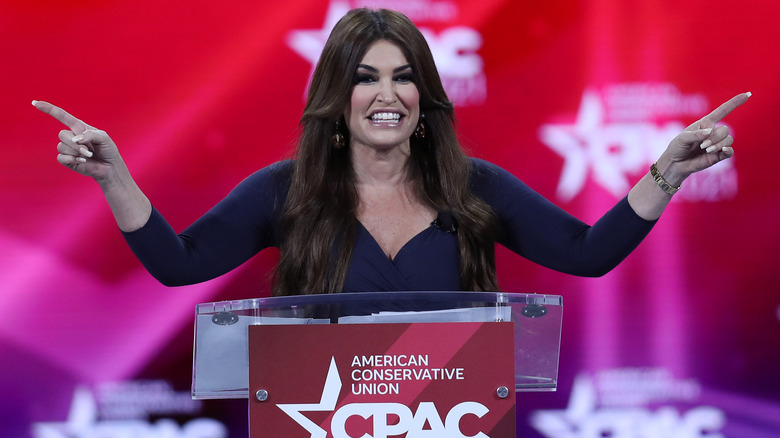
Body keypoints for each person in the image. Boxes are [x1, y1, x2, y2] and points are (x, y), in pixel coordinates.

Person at [34, 8, 749, 296]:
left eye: (404, 76)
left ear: (425, 96)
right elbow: (176, 264)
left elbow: (588, 252)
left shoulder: (475, 188)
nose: (387, 92)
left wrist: (670, 170)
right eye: (365, 76)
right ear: (336, 96)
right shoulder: (287, 191)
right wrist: (113, 176)